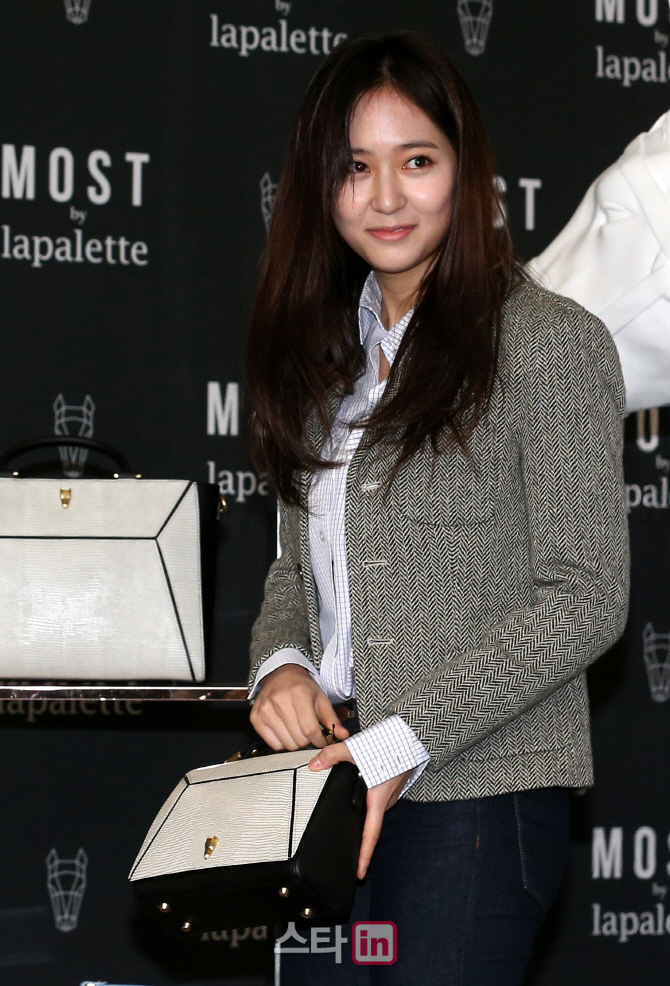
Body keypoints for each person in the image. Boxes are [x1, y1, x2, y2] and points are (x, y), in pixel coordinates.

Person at [244, 32, 629, 986]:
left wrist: (397, 744)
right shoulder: (320, 362)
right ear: (319, 185)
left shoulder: (548, 343)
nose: (385, 197)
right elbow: (294, 570)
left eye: (416, 161)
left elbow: (586, 598)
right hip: (329, 789)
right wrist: (280, 664)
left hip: (478, 797)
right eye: (355, 167)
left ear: (465, 170)